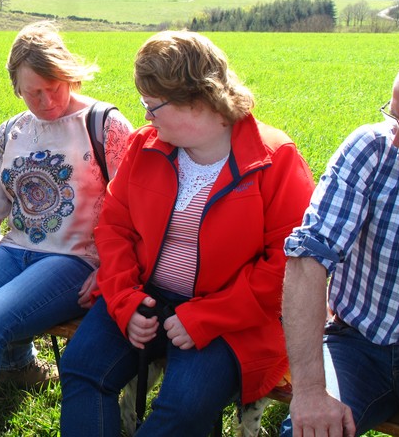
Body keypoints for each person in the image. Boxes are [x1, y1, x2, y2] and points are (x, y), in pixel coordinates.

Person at [59, 30, 315, 437]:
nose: (146, 117)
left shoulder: (274, 159)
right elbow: (114, 227)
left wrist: (204, 317)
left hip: (233, 319)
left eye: (152, 105)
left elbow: (288, 267)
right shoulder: (145, 145)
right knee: (81, 369)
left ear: (197, 101)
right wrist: (125, 300)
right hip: (144, 297)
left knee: (184, 406)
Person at [0, 21, 134, 437]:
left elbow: (135, 210)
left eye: (54, 87)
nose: (46, 100)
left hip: (75, 260)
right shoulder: (10, 131)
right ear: (15, 87)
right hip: (15, 249)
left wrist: (110, 270)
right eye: (33, 92)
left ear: (69, 75)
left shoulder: (105, 125)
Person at [281, 68, 399, 437]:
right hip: (358, 344)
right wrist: (310, 392)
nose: (397, 138)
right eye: (395, 117)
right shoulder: (373, 148)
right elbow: (309, 255)